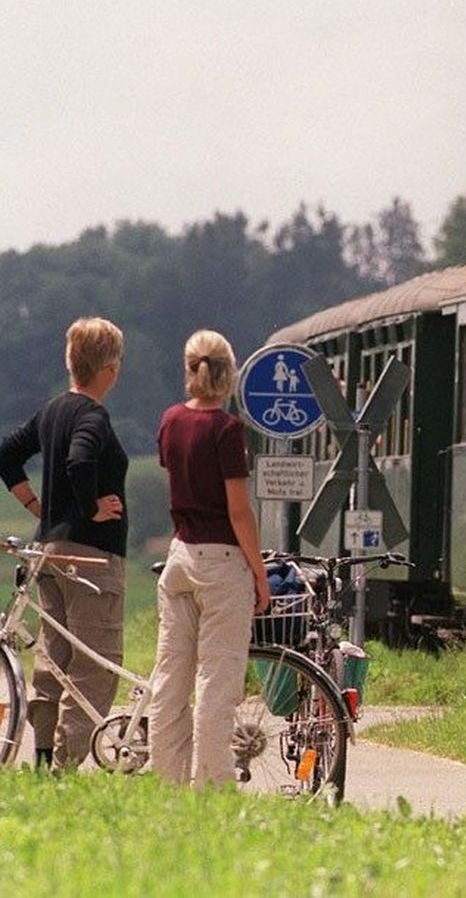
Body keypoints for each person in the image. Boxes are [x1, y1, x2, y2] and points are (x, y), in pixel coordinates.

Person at [0, 317, 127, 772]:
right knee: (96, 663)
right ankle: (67, 768)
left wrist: (35, 504)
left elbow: (6, 454)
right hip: (91, 557)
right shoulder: (93, 416)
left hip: (50, 554)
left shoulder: (52, 411)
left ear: (71, 362)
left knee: (54, 659)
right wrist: (91, 507)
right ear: (110, 368)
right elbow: (80, 460)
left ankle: (43, 753)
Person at [151, 330, 269, 787]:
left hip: (180, 558)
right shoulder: (227, 430)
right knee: (216, 683)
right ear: (229, 374)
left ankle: (167, 783)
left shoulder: (170, 421)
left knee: (170, 680)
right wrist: (260, 575)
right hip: (220, 565)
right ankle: (214, 786)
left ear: (189, 370)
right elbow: (238, 512)